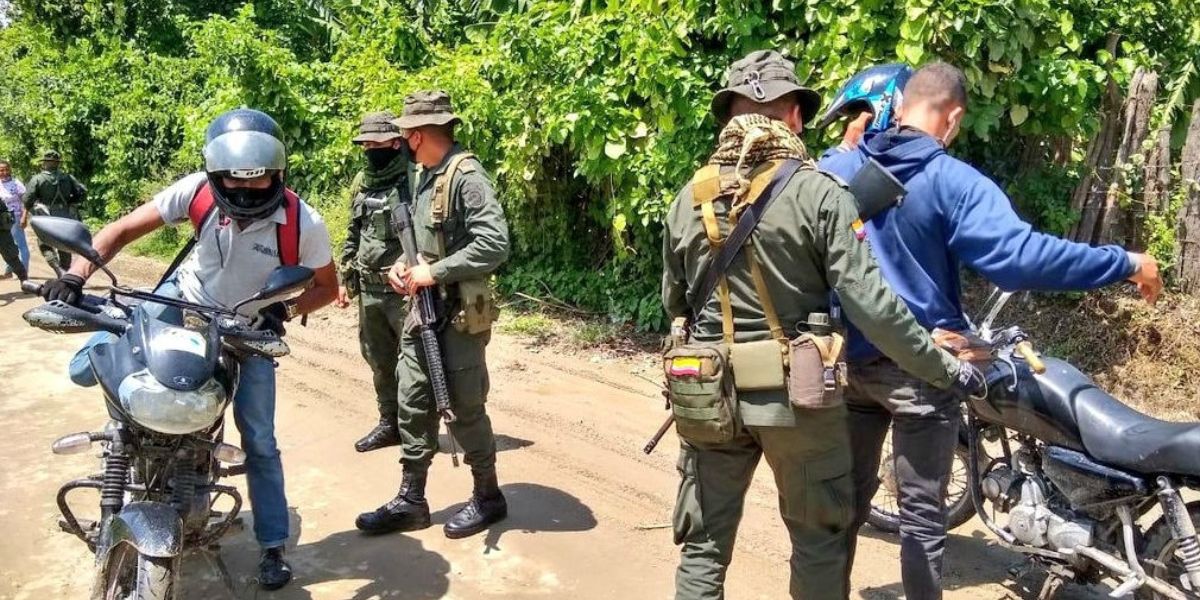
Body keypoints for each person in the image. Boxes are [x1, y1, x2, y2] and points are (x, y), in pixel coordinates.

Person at [819, 62, 1163, 600]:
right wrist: (1124, 260)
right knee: (921, 520)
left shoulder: (835, 169)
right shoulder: (952, 180)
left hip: (849, 364)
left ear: (897, 105)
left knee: (841, 507)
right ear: (952, 118)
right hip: (921, 367)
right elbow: (1018, 258)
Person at [661, 50, 983, 600]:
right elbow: (875, 309)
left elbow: (675, 302)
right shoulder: (818, 193)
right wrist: (944, 368)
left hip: (709, 392)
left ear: (729, 118)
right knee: (818, 538)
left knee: (704, 546)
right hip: (797, 400)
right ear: (794, 116)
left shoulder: (687, 200)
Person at [42, 108, 338, 591]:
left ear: (279, 175)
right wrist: (75, 277)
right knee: (97, 361)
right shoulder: (197, 190)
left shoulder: (304, 222)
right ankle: (120, 445)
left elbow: (327, 286)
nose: (246, 192)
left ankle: (272, 547)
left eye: (261, 182)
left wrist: (282, 311)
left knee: (259, 437)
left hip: (244, 322)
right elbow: (119, 230)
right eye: (235, 182)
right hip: (183, 301)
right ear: (215, 175)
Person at [355, 90, 510, 540]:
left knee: (465, 407)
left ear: (417, 135)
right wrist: (408, 267)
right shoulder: (426, 175)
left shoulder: (466, 176)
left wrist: (433, 272)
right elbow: (425, 244)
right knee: (413, 398)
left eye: (405, 134)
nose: (402, 140)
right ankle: (412, 498)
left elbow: (494, 243)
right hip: (422, 311)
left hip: (458, 315)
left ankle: (488, 495)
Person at [335, 111, 415, 452]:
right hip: (369, 289)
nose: (368, 149)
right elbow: (354, 231)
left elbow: (426, 234)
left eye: (375, 143)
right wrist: (343, 278)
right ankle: (389, 424)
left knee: (414, 366)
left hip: (404, 291)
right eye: (364, 143)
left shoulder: (414, 178)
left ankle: (418, 432)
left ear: (395, 143)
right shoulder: (362, 181)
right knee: (379, 361)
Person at [816, 63, 913, 160]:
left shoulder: (874, 163)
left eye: (855, 117)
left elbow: (826, 171)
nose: (852, 125)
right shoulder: (917, 151)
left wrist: (846, 147)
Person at [24, 149, 87, 276]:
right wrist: (71, 202)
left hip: (45, 216)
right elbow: (82, 191)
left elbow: (27, 199)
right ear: (58, 163)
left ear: (44, 163)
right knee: (64, 244)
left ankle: (58, 270)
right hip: (65, 214)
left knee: (44, 244)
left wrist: (32, 209)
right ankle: (66, 271)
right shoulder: (68, 177)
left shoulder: (37, 179)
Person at [0, 160, 29, 279]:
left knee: (21, 245)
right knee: (8, 245)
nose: (4, 172)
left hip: (15, 217)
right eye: (1, 170)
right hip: (1, 220)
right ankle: (8, 270)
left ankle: (24, 272)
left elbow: (26, 201)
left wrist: (24, 216)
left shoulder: (16, 183)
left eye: (6, 169)